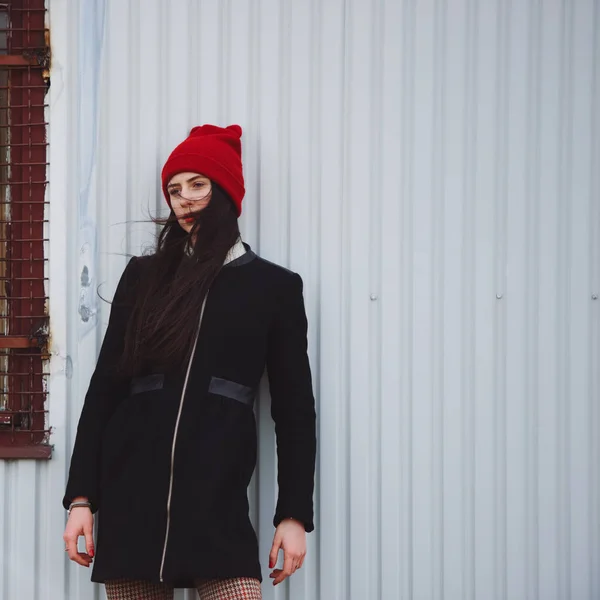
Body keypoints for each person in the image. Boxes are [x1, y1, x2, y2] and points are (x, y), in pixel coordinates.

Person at [62, 124, 317, 600]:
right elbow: (104, 391)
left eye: (197, 184)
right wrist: (81, 499)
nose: (183, 199)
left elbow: (295, 411)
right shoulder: (143, 277)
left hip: (217, 506)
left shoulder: (274, 288)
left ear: (226, 190)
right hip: (132, 500)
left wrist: (294, 515)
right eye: (174, 189)